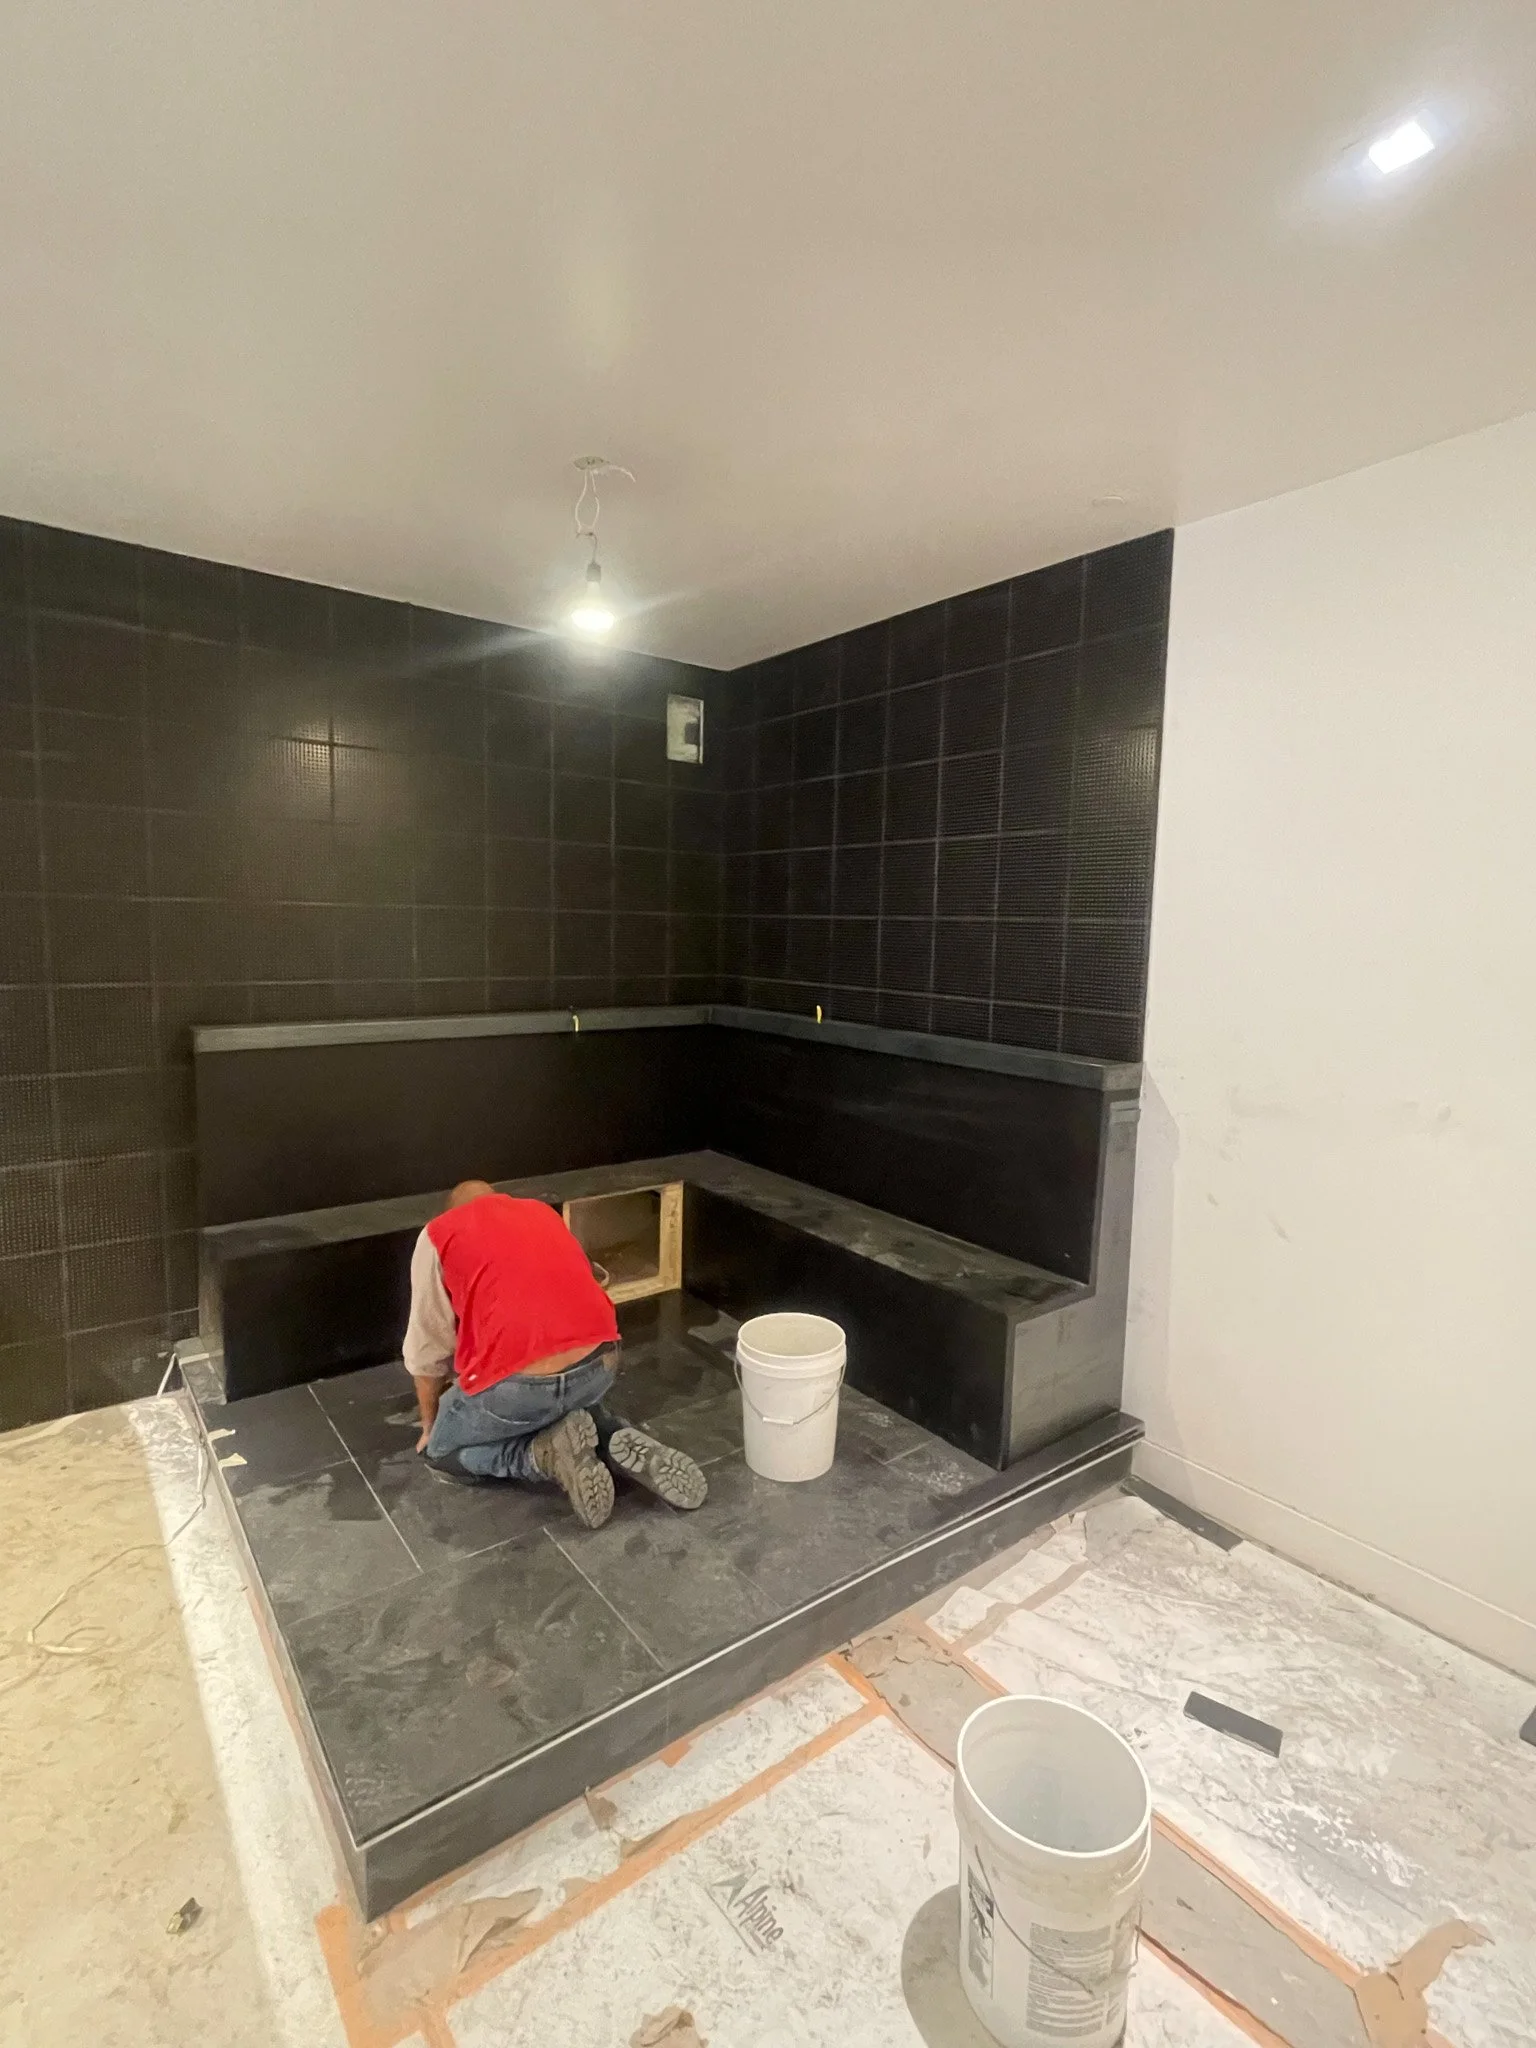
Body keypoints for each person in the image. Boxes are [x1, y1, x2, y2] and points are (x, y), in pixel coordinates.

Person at [402, 1178, 707, 1528]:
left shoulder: (439, 1233)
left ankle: (540, 1456)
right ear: (500, 1199)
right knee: (562, 1401)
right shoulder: (540, 1213)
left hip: (518, 1386)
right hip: (600, 1363)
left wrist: (430, 1425)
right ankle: (611, 1436)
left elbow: (427, 1347)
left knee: (442, 1453)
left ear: (451, 1211)